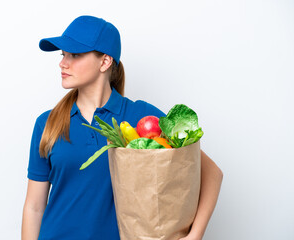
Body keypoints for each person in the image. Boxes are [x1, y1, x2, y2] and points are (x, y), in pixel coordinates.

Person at [21, 15, 223, 240]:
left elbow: (211, 173)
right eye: (63, 55)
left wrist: (195, 235)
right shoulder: (47, 124)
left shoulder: (141, 117)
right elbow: (34, 207)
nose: (63, 63)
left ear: (105, 62)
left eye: (75, 55)